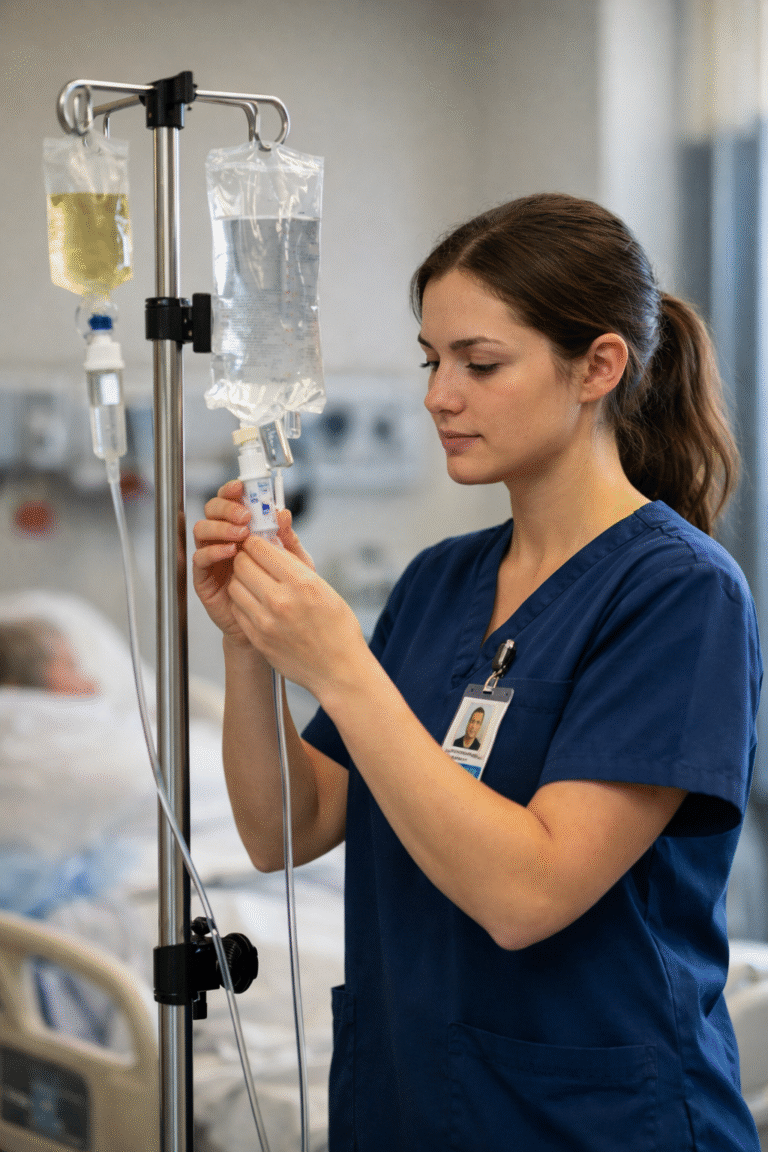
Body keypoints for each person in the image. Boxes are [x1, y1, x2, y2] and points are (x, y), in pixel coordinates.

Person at [192, 193, 763, 1151]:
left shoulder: (680, 596)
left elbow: (527, 895)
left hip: (590, 1116)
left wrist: (339, 663)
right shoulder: (440, 581)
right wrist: (249, 640)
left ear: (599, 367)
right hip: (410, 1100)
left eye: (479, 363)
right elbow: (286, 827)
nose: (437, 396)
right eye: (432, 361)